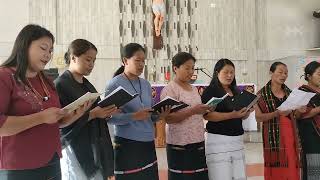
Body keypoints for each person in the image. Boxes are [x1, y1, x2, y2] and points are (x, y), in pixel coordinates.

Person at [0, 24, 89, 180]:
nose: (48, 55)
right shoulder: (5, 76)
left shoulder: (46, 81)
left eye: (50, 51)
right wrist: (40, 117)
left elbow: (53, 121)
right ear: (25, 45)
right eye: (43, 48)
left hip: (51, 160)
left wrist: (72, 116)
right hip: (20, 165)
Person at [54, 39, 118, 180]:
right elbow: (59, 124)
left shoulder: (87, 85)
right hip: (75, 147)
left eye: (94, 61)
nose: (91, 64)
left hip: (93, 144)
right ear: (73, 58)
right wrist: (93, 114)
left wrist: (106, 113)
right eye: (88, 59)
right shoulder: (60, 85)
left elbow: (97, 112)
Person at [106, 43, 170, 180]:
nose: (141, 64)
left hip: (148, 143)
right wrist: (134, 116)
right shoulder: (115, 84)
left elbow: (149, 116)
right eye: (137, 60)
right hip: (128, 143)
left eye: (143, 61)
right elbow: (109, 118)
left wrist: (159, 116)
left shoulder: (146, 85)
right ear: (125, 61)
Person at [160, 52, 211, 180]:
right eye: (187, 68)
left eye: (192, 68)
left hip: (197, 140)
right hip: (180, 144)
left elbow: (196, 111)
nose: (191, 71)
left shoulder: (193, 89)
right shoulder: (170, 90)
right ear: (175, 68)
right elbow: (169, 118)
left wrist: (205, 109)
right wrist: (193, 110)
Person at [201, 58, 252, 180]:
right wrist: (232, 115)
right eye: (226, 72)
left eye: (232, 72)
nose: (229, 75)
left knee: (239, 176)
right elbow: (207, 115)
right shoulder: (210, 91)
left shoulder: (236, 91)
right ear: (217, 72)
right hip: (219, 140)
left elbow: (241, 116)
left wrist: (246, 112)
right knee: (221, 175)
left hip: (237, 140)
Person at [255, 62, 303, 180]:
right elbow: (258, 117)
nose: (283, 75)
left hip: (290, 134)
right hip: (273, 137)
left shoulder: (290, 93)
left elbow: (296, 115)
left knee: (291, 162)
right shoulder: (260, 95)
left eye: (286, 73)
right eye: (280, 72)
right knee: (276, 167)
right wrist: (276, 113)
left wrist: (300, 110)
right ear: (271, 73)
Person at [297, 61, 320, 180]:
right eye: (319, 74)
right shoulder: (302, 92)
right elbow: (300, 115)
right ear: (309, 76)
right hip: (311, 137)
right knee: (314, 172)